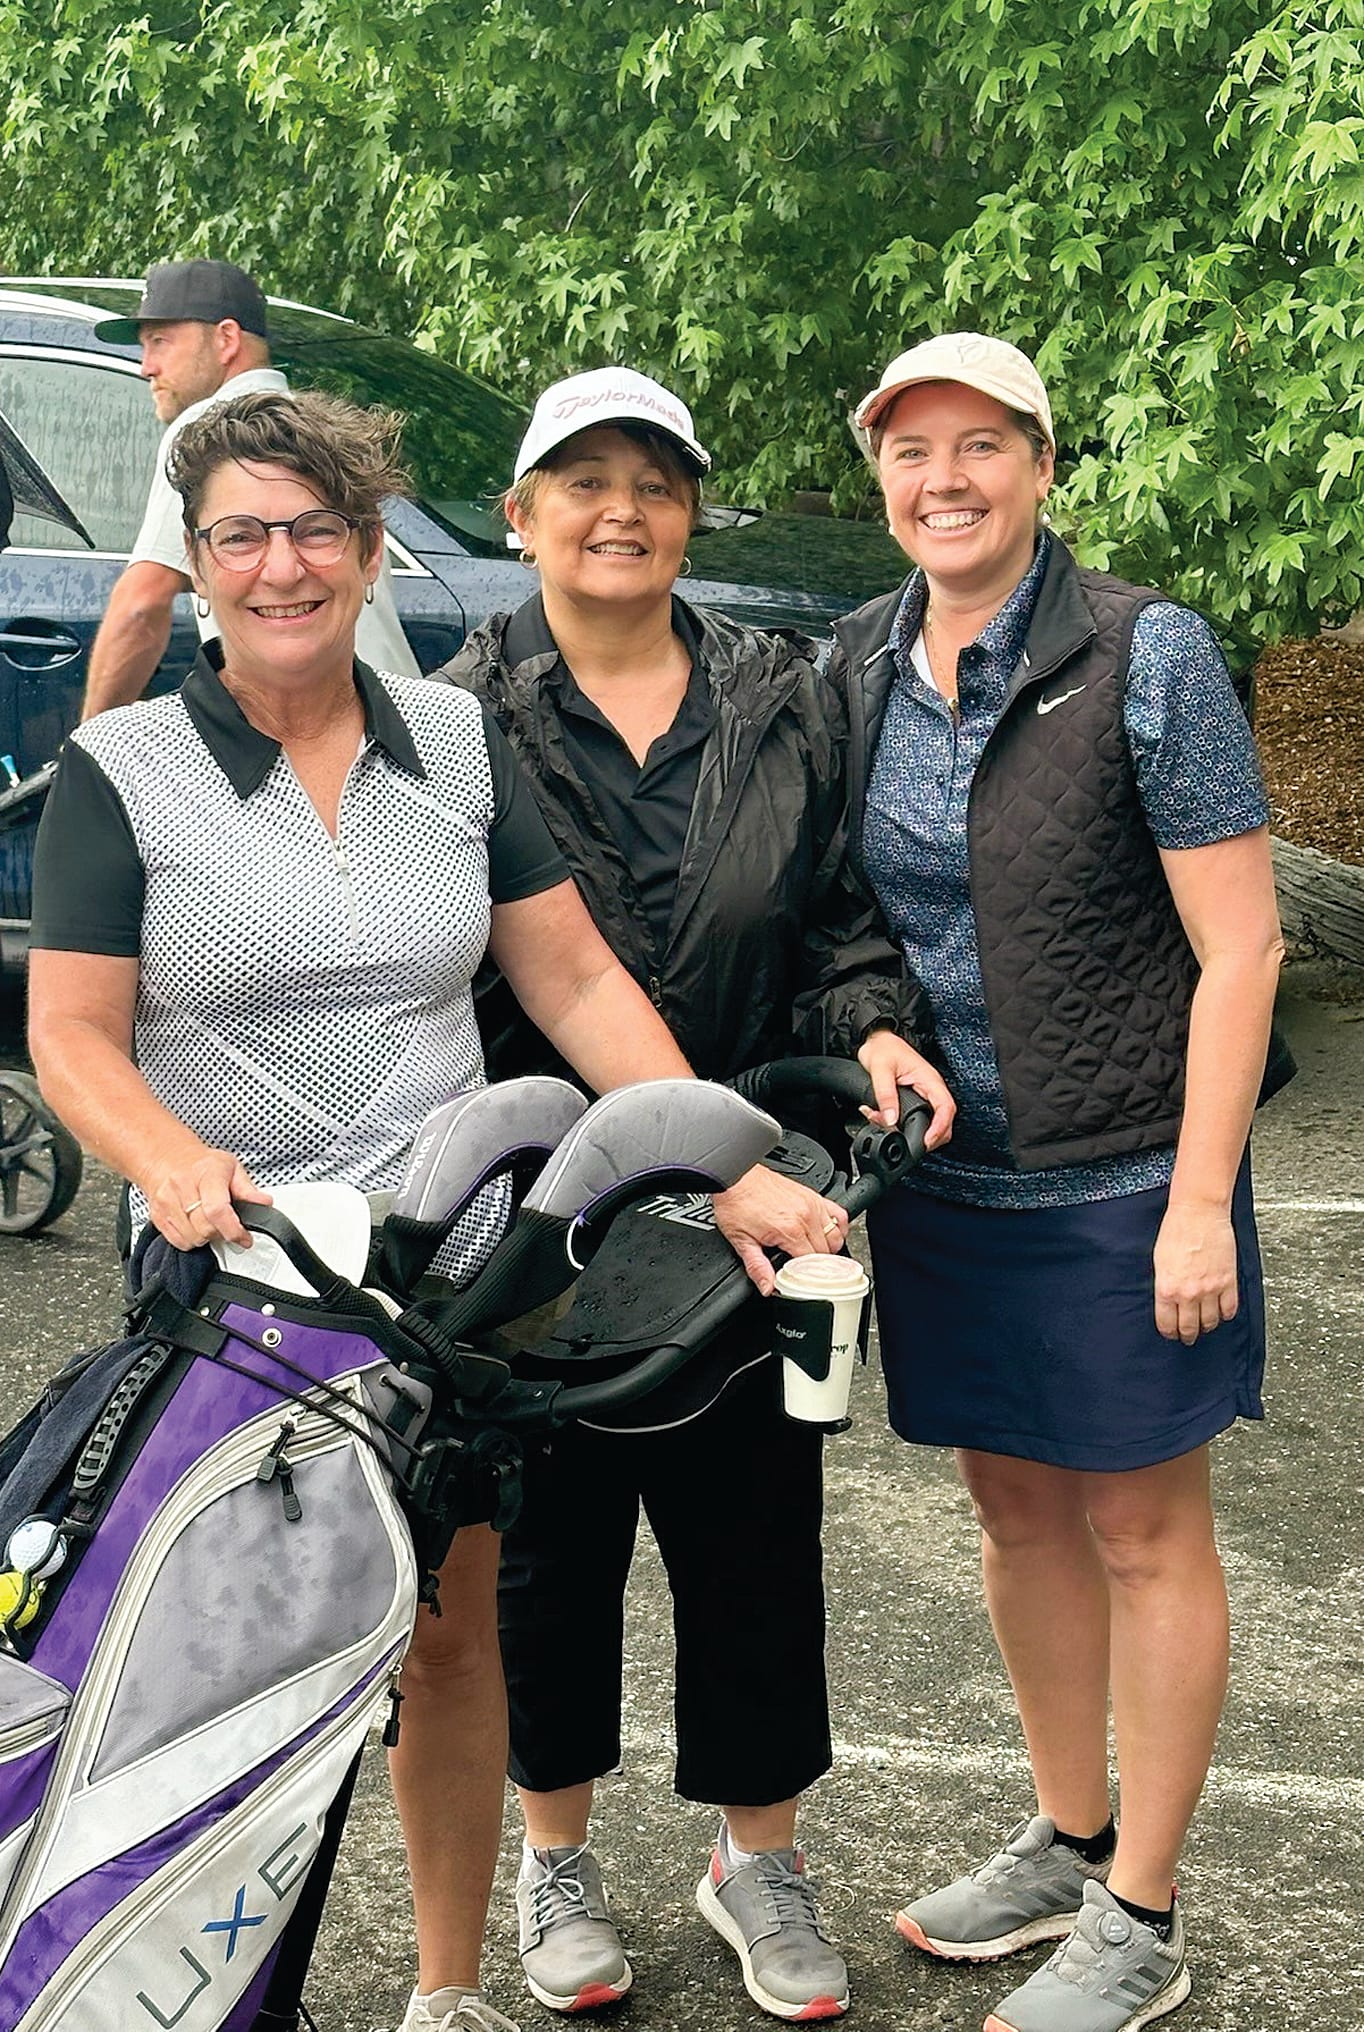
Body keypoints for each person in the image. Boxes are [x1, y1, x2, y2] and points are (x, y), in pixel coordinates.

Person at [27, 387, 850, 2032]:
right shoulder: (116, 771)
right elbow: (68, 1033)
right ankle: (191, 1983)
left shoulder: (456, 749)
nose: (281, 566)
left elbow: (569, 973)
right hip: (237, 1275)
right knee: (225, 1659)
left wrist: (723, 1156)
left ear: (369, 547)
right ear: (197, 565)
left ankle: (445, 1985)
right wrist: (169, 1162)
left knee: (451, 1635)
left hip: (440, 1273)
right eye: (242, 535)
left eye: (315, 529)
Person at [438, 367, 955, 2023]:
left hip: (760, 1202)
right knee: (544, 1554)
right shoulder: (452, 719)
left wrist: (870, 1029)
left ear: (688, 512)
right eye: (576, 481)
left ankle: (756, 1860)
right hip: (542, 1212)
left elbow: (837, 923)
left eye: (651, 481)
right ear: (516, 517)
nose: (617, 511)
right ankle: (554, 1858)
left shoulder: (780, 692)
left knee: (752, 1546)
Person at [832, 332, 1293, 2032]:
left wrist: (1195, 1195)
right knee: (1013, 1513)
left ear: (1037, 467)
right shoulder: (856, 661)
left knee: (1140, 1526)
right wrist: (873, 1025)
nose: (938, 480)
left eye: (975, 448)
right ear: (877, 476)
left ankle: (1141, 1910)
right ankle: (1064, 1834)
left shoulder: (1139, 653)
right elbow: (849, 922)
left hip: (1121, 1177)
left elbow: (1236, 951)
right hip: (950, 1188)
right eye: (906, 452)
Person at [81, 257, 417, 721]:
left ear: (226, 339)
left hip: (321, 728)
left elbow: (142, 604)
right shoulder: (313, 423)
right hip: (400, 720)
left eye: (160, 341)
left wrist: (92, 749)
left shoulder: (207, 433)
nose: (146, 367)